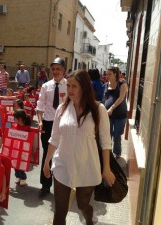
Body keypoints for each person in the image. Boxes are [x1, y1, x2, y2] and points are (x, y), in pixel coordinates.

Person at [43, 70, 115, 225]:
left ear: (84, 87)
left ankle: (90, 219)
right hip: (62, 164)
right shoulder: (61, 109)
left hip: (87, 165)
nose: (70, 90)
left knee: (82, 204)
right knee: (60, 212)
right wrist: (47, 161)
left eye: (74, 86)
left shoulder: (98, 109)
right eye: (68, 85)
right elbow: (54, 138)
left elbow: (105, 142)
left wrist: (106, 168)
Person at [36, 57, 67, 194]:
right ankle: (45, 185)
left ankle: (62, 185)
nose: (55, 71)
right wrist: (40, 121)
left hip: (64, 124)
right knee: (47, 153)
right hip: (48, 123)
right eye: (53, 69)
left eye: (58, 69)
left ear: (64, 71)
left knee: (63, 154)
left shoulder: (69, 85)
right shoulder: (45, 86)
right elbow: (40, 105)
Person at [104, 67, 128, 159]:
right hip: (108, 115)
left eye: (109, 74)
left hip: (120, 115)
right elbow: (106, 98)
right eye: (106, 74)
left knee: (117, 135)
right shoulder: (106, 85)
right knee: (107, 135)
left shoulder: (122, 84)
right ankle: (108, 153)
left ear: (115, 74)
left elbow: (121, 98)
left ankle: (117, 153)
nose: (107, 76)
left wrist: (111, 108)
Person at [12, 109, 31, 186]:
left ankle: (23, 177)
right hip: (15, 148)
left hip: (23, 149)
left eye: (15, 118)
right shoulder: (14, 126)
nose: (13, 120)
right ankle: (18, 176)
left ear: (19, 119)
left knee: (21, 164)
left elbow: (29, 139)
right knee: (15, 163)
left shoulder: (27, 128)